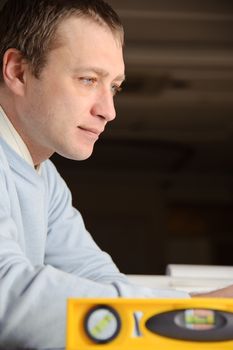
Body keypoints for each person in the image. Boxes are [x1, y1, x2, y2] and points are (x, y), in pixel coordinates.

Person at [0, 0, 230, 349]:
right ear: (18, 71)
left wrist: (204, 312)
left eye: (114, 87)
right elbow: (8, 296)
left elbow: (96, 276)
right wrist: (197, 311)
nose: (108, 111)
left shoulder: (45, 178)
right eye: (88, 79)